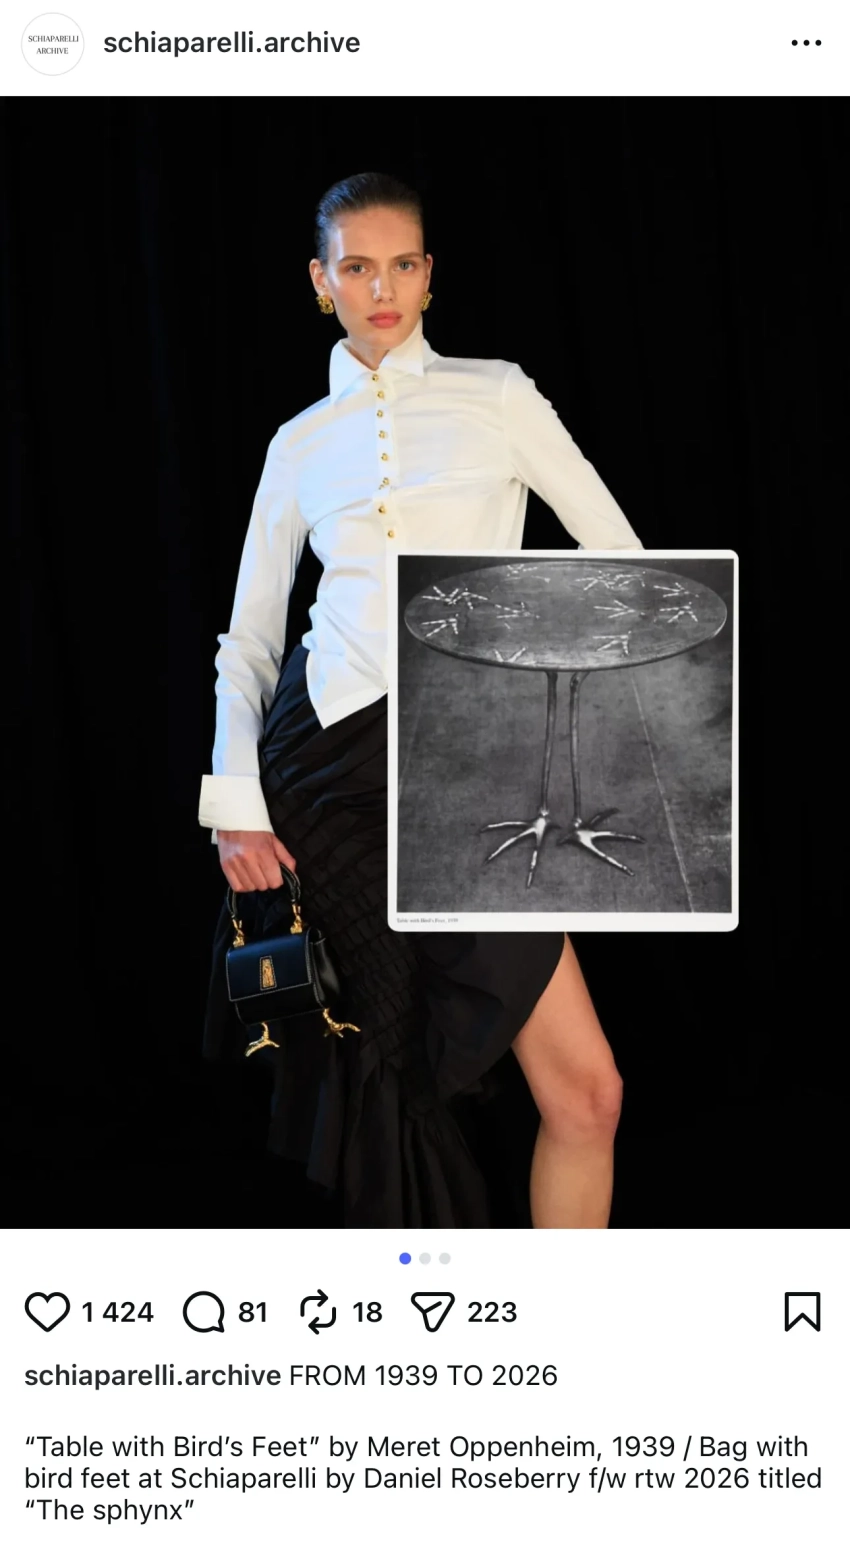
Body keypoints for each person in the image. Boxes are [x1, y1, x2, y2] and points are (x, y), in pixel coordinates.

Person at [199, 171, 644, 1229]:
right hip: (324, 779)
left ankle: (555, 1324)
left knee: (586, 1094)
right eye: (356, 267)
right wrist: (235, 806)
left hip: (467, 773)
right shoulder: (298, 443)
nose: (381, 289)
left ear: (429, 273)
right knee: (381, 1087)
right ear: (322, 281)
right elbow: (250, 641)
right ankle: (427, 1322)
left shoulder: (498, 395)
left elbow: (621, 567)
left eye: (401, 264)